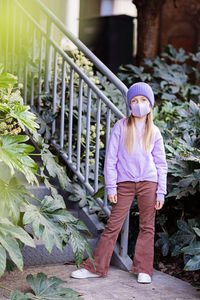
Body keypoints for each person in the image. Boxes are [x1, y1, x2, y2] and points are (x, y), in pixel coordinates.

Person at [71, 82, 168, 284]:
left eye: (143, 100)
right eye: (134, 101)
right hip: (124, 183)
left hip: (149, 183)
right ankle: (95, 268)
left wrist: (161, 192)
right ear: (129, 105)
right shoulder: (121, 126)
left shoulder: (155, 132)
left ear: (150, 104)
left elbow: (161, 164)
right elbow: (111, 159)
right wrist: (111, 187)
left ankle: (144, 269)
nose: (139, 104)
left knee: (147, 226)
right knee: (113, 225)